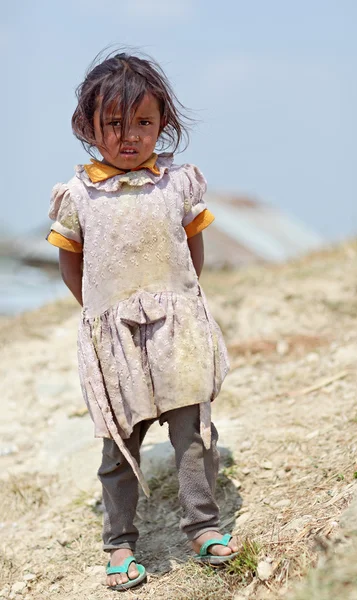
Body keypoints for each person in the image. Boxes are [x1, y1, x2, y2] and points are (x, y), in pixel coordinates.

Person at [47, 50, 239, 591]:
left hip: (176, 330)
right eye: (113, 124)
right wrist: (100, 316)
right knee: (119, 446)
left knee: (194, 434)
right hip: (116, 340)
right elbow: (72, 264)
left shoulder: (177, 185)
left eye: (144, 123)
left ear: (163, 125)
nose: (129, 136)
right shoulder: (79, 196)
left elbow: (191, 248)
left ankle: (202, 525)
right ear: (89, 126)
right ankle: (119, 543)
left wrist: (182, 300)